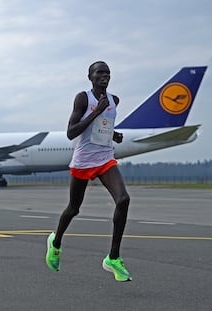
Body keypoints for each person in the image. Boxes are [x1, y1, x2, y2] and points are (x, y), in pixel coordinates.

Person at [45, 61, 132, 281]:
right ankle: (55, 243)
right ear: (90, 77)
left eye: (108, 73)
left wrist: (114, 134)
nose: (105, 76)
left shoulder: (114, 100)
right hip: (83, 160)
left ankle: (113, 257)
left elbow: (103, 125)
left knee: (123, 200)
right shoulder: (83, 98)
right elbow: (71, 133)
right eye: (100, 73)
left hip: (105, 158)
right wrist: (96, 112)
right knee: (73, 209)